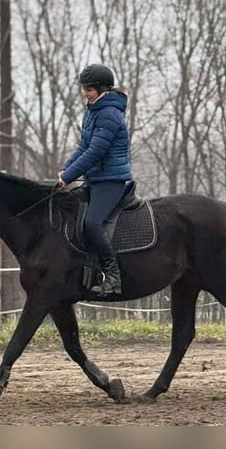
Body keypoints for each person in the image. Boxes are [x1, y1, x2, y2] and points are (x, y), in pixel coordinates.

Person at [58, 64, 132, 295]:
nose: (84, 94)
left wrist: (69, 177)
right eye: (84, 89)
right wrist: (65, 169)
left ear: (102, 90)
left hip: (112, 180)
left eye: (89, 90)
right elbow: (83, 146)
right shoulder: (93, 110)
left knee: (92, 223)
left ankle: (112, 275)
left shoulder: (109, 114)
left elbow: (95, 152)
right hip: (96, 179)